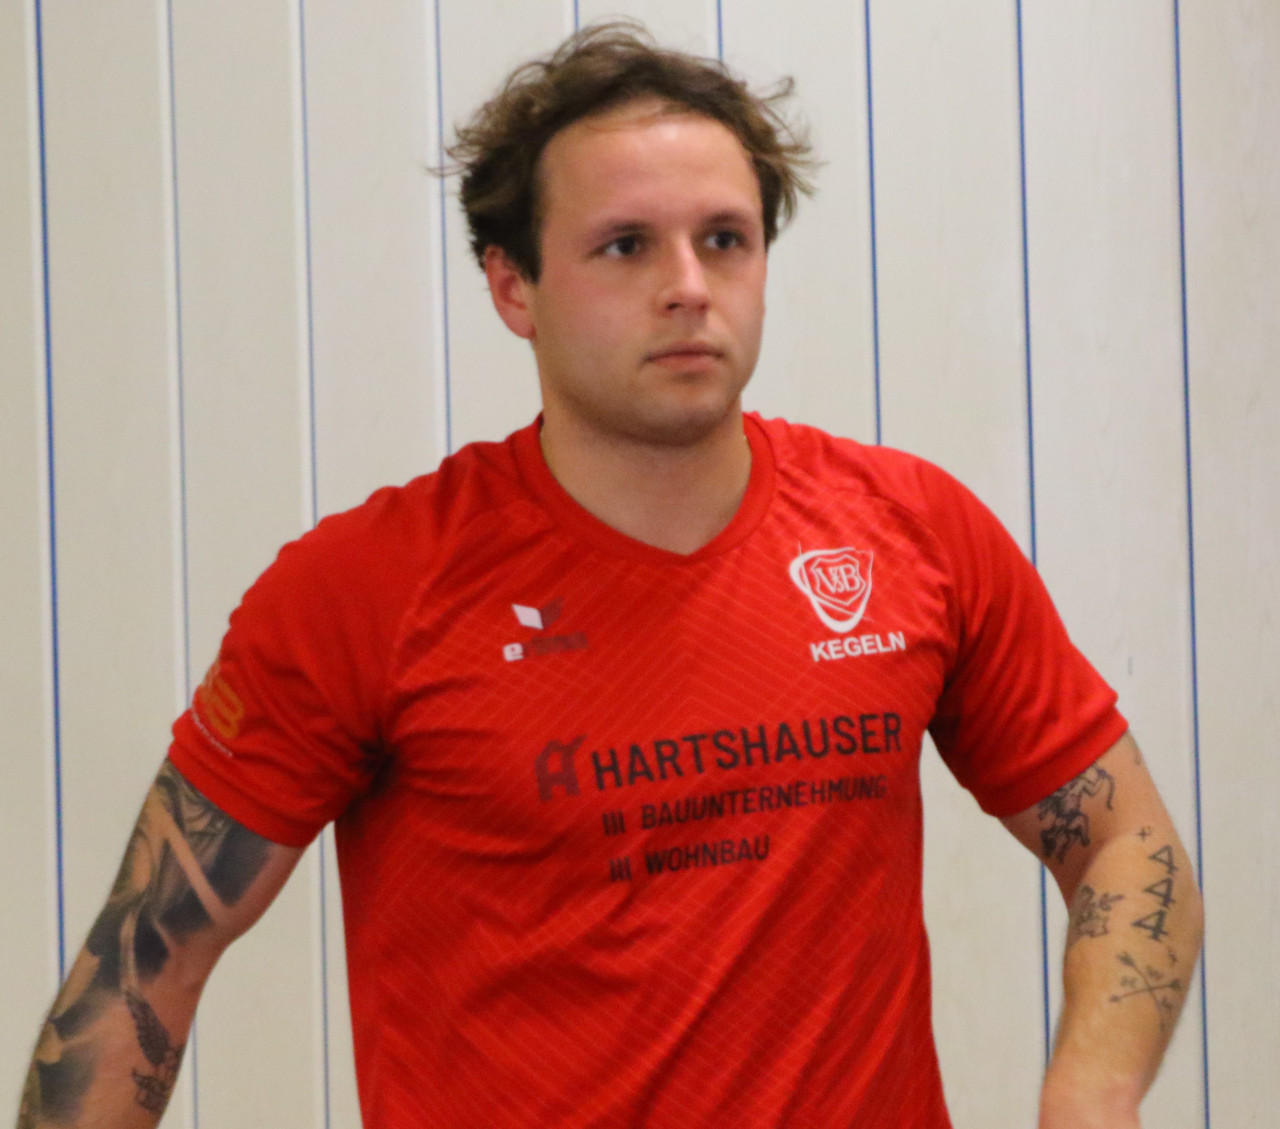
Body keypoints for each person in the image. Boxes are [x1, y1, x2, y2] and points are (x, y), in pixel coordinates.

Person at [17, 21, 1201, 1129]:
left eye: (723, 239)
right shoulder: (366, 590)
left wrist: (1088, 1100)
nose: (687, 284)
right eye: (625, 245)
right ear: (512, 287)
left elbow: (1123, 841)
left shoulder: (911, 534)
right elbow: (143, 968)